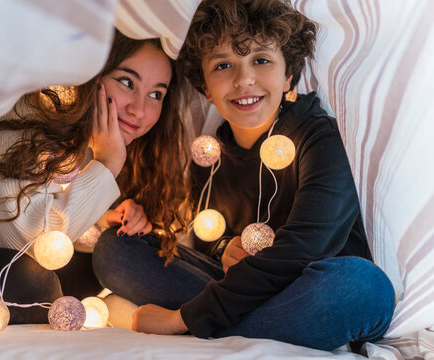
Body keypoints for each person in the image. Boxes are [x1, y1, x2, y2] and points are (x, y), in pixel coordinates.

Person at [92, 0, 395, 351]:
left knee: (363, 287)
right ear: (204, 86)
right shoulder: (210, 154)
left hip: (313, 288)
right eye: (223, 65)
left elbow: (305, 248)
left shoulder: (318, 137)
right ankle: (244, 326)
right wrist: (225, 249)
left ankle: (209, 326)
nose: (243, 79)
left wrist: (181, 319)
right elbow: (208, 249)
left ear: (288, 75)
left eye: (261, 60)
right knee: (116, 247)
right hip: (244, 293)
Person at [0, 30, 190, 326]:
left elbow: (46, 214)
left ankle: (219, 300)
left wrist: (102, 221)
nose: (138, 109)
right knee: (32, 283)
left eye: (156, 95)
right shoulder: (23, 108)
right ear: (93, 74)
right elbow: (30, 241)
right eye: (127, 82)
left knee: (107, 259)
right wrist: (107, 165)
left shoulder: (89, 137)